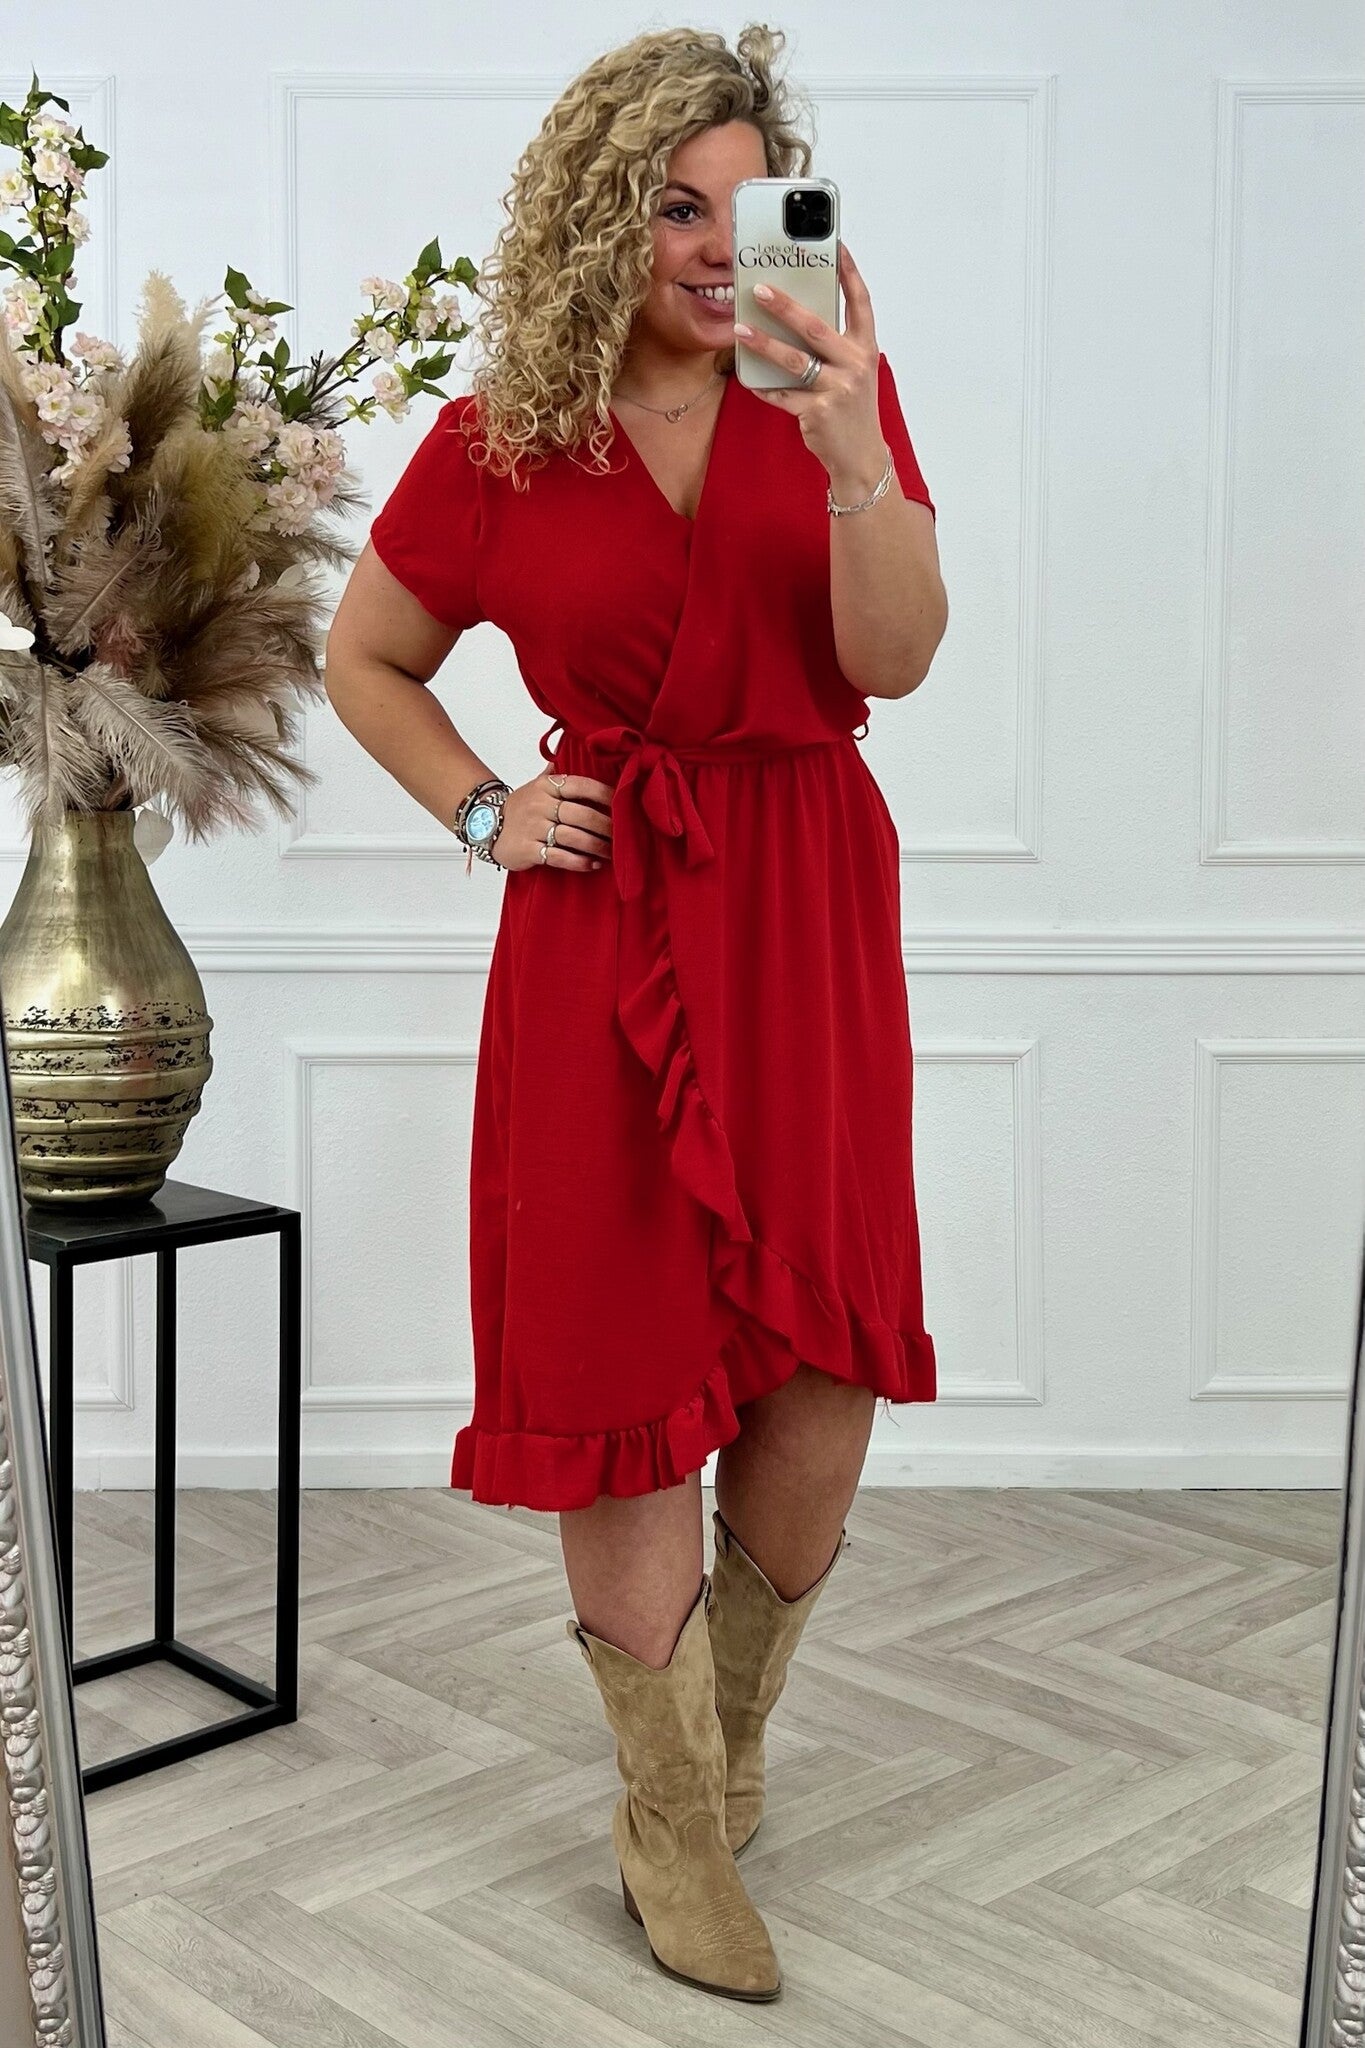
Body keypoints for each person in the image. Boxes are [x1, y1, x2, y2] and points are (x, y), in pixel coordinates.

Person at [324, 21, 947, 2005]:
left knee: (820, 1355)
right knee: (615, 1365)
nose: (709, 248)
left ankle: (723, 1751)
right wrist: (486, 811)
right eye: (673, 207)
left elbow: (894, 661)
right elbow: (365, 655)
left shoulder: (833, 389)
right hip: (601, 925)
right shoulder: (504, 433)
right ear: (603, 218)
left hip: (805, 903)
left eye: (746, 209)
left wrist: (850, 457)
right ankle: (670, 1820)